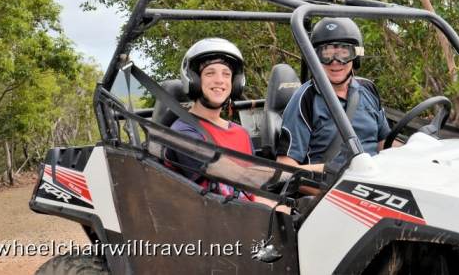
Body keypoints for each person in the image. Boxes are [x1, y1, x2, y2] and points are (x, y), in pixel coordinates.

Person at [276, 18, 391, 172]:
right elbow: (285, 168)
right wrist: (329, 171)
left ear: (355, 56)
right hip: (328, 188)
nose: (335, 62)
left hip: (377, 182)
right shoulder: (305, 98)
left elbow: (385, 144)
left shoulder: (368, 89)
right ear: (315, 58)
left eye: (344, 54)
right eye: (326, 55)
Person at [164, 37, 257, 201]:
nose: (220, 80)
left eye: (226, 74)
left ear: (234, 83)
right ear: (194, 80)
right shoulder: (184, 133)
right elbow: (222, 195)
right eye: (210, 73)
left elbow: (252, 187)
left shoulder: (241, 133)